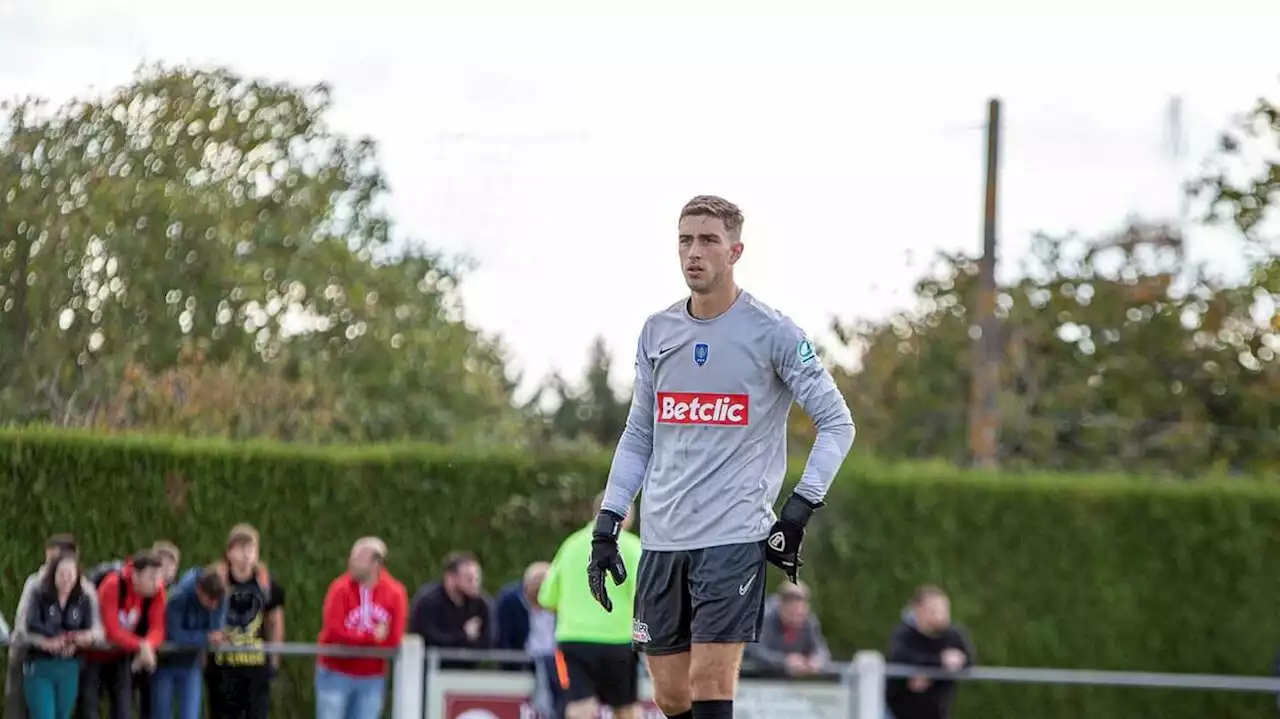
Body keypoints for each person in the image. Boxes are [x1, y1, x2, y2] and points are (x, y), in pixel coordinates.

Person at [589, 195, 856, 719]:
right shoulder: (657, 331)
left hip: (734, 536)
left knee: (710, 680)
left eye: (708, 240)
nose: (695, 251)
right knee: (670, 696)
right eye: (685, 239)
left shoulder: (773, 332)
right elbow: (638, 435)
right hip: (664, 537)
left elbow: (837, 423)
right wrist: (608, 523)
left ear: (735, 250)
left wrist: (798, 511)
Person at [540, 493, 643, 719]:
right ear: (625, 516)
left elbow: (546, 597)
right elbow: (644, 596)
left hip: (573, 639)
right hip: (618, 641)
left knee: (579, 705)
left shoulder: (571, 544)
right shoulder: (633, 547)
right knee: (626, 707)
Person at [315, 537, 408, 719]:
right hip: (335, 673)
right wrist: (372, 637)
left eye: (358, 558)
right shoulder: (339, 589)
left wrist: (355, 640)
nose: (351, 562)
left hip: (372, 678)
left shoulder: (395, 593)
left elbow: (393, 640)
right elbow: (334, 632)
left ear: (376, 563)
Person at [8, 534, 93, 719]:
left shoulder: (84, 592)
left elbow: (95, 629)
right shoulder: (36, 586)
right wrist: (44, 641)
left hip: (68, 664)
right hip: (31, 657)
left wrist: (79, 640)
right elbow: (23, 626)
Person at [204, 524, 285, 719]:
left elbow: (276, 623)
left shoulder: (267, 583)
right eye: (241, 548)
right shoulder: (215, 580)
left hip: (256, 667)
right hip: (222, 668)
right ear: (229, 552)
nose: (247, 554)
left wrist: (274, 661)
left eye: (251, 548)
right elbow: (203, 616)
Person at [79, 550, 168, 719]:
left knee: (123, 710)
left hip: (121, 655)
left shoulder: (158, 592)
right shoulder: (112, 585)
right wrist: (141, 645)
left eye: (159, 577)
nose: (157, 583)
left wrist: (148, 644)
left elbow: (158, 628)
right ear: (135, 575)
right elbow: (111, 629)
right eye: (151, 577)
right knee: (89, 709)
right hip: (93, 653)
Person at [885, 586, 976, 719]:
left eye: (945, 610)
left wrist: (933, 672)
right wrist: (940, 661)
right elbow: (901, 658)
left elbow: (968, 661)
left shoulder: (953, 635)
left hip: (936, 711)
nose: (942, 615)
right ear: (918, 610)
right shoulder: (903, 634)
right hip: (898, 711)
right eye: (935, 611)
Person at [152, 567, 228, 719]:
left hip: (191, 664)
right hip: (165, 663)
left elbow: (216, 630)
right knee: (162, 714)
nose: (214, 606)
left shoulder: (221, 597)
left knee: (190, 715)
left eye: (217, 602)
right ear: (199, 591)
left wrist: (215, 637)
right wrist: (205, 638)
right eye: (210, 601)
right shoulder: (178, 598)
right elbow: (174, 635)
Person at [409, 551, 493, 668]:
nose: (475, 584)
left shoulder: (482, 604)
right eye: (469, 579)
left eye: (477, 578)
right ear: (450, 578)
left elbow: (488, 641)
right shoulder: (428, 601)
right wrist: (463, 635)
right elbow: (429, 638)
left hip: (467, 672)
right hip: (431, 671)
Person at [745, 581, 830, 676]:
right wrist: (785, 661)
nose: (796, 619)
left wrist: (816, 661)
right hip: (754, 676)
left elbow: (822, 650)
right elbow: (756, 652)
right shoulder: (763, 618)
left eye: (800, 614)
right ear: (781, 607)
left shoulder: (809, 621)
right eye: (791, 613)